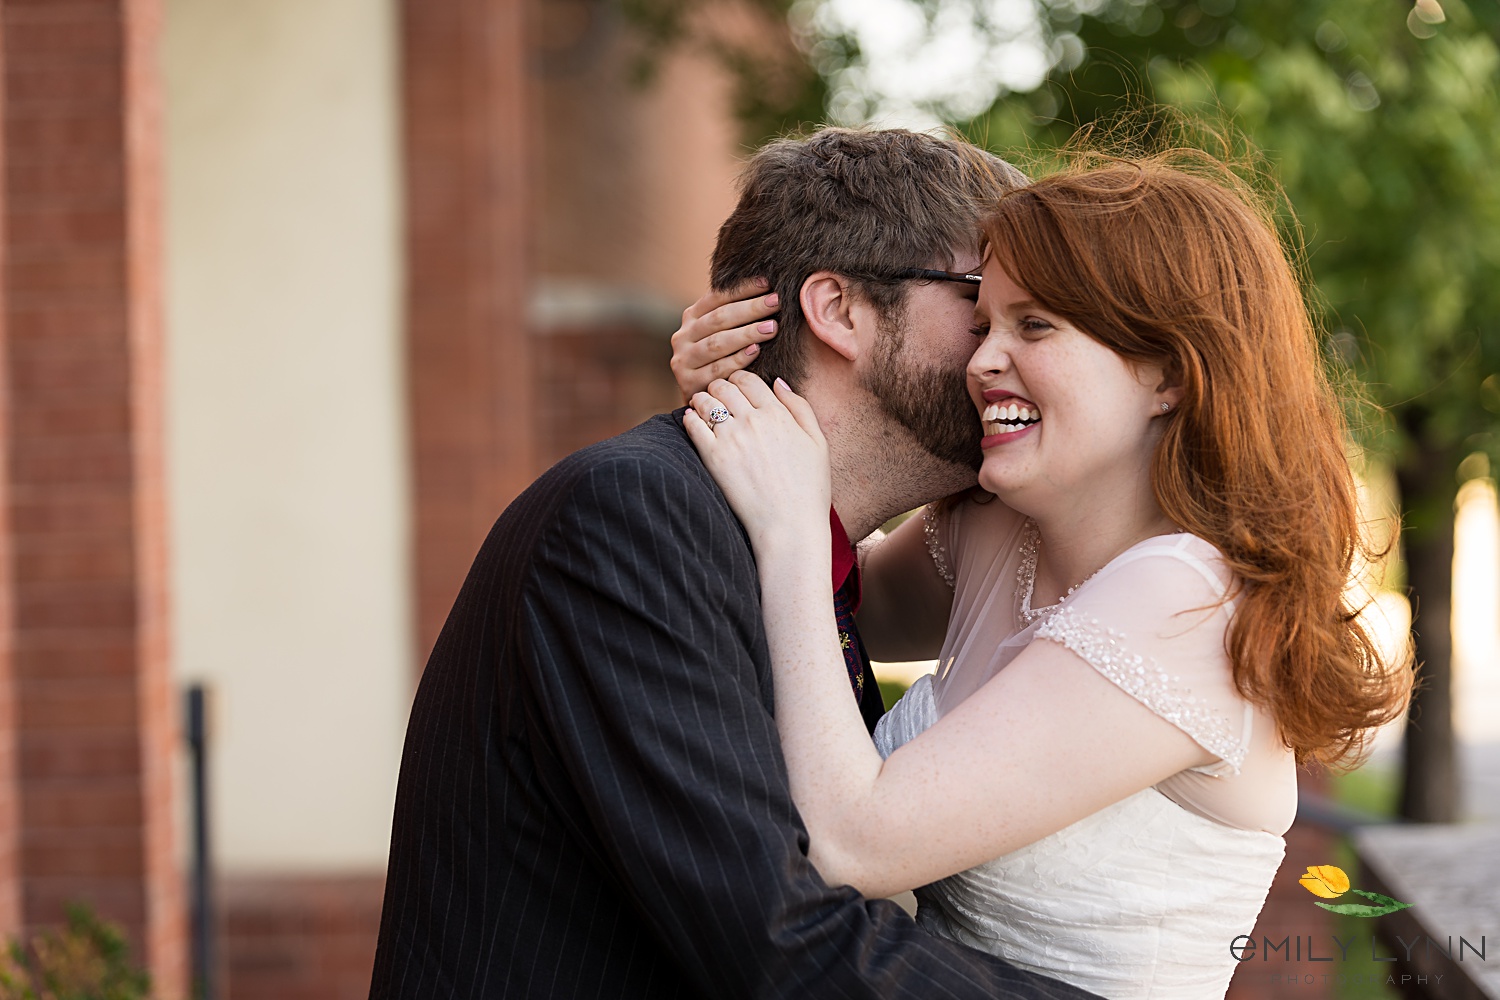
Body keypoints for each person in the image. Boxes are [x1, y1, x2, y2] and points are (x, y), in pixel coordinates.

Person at [367, 127, 1102, 999]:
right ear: (838, 312)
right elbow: (781, 939)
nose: (1001, 357)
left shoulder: (773, 543)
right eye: (983, 307)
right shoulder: (633, 519)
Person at [679, 151, 1412, 999]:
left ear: (1169, 372)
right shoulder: (999, 529)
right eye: (982, 322)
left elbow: (851, 845)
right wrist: (751, 395)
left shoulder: (1189, 601)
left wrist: (793, 520)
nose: (983, 360)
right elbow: (828, 611)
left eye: (1034, 327)